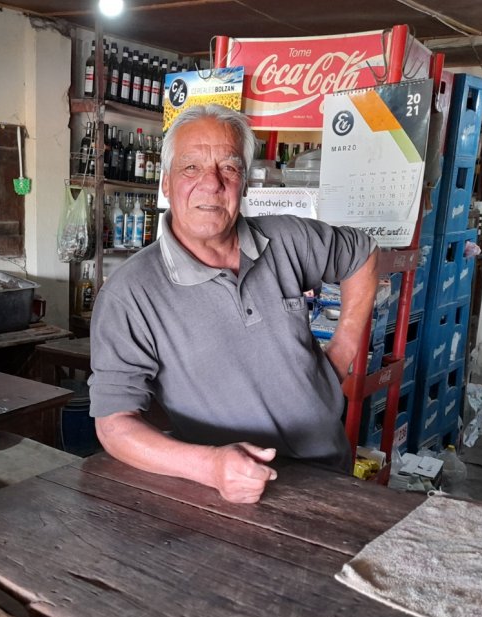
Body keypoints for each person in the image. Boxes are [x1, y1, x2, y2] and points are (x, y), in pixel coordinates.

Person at [89, 104, 378, 504]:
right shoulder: (130, 293)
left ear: (243, 183)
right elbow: (114, 425)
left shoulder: (286, 239)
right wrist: (208, 466)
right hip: (226, 496)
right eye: (190, 168)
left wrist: (343, 349)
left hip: (330, 471)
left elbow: (362, 255)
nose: (211, 183)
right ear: (167, 183)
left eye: (228, 167)